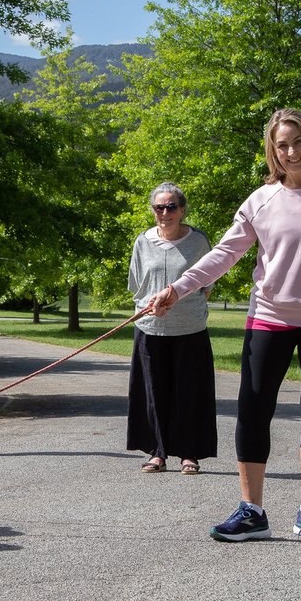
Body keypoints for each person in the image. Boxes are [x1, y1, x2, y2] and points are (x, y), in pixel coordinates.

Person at [150, 108, 301, 543]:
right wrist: (178, 288)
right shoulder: (261, 199)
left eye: (297, 142)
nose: (291, 151)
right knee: (254, 411)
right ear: (272, 152)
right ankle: (252, 510)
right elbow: (224, 253)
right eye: (281, 145)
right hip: (270, 317)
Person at [127, 182, 217, 475]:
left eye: (171, 207)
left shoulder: (198, 241)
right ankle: (158, 452)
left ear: (182, 210)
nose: (165, 213)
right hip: (150, 328)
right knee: (154, 393)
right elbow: (136, 283)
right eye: (159, 207)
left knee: (189, 393)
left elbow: (207, 284)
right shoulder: (142, 241)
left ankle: (189, 453)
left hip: (190, 329)